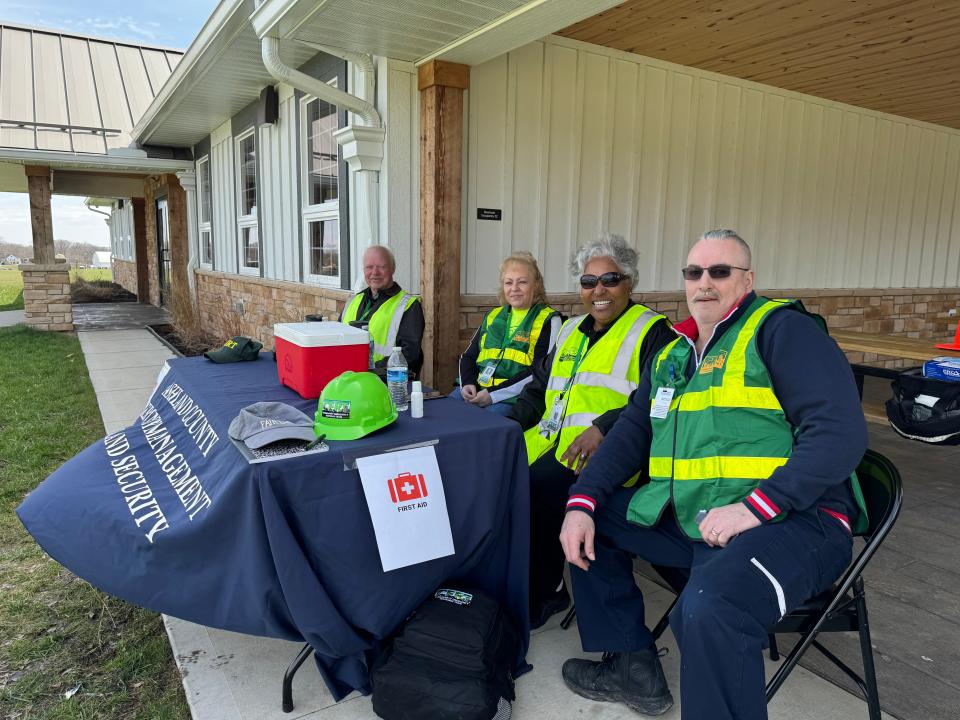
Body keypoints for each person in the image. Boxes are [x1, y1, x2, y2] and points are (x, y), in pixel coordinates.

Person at [558, 230, 869, 719]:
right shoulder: (676, 353)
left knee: (707, 609)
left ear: (747, 279)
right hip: (699, 519)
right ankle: (631, 664)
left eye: (719, 271)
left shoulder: (781, 331)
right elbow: (629, 436)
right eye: (693, 272)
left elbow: (840, 434)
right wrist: (582, 502)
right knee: (588, 520)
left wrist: (755, 507)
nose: (704, 282)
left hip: (793, 522)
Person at [507, 235, 674, 629]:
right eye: (588, 282)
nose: (598, 290)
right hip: (555, 443)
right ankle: (520, 582)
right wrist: (507, 425)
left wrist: (604, 428)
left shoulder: (653, 332)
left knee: (536, 488)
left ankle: (546, 592)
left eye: (610, 279)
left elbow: (659, 401)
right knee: (502, 477)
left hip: (616, 455)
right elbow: (538, 388)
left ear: (629, 282)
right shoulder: (570, 330)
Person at [451, 252, 562, 416]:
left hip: (513, 399)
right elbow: (468, 357)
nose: (514, 288)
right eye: (508, 282)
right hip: (478, 391)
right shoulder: (493, 316)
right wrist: (467, 384)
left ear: (536, 285)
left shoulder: (549, 320)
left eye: (522, 282)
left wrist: (493, 395)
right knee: (444, 412)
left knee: (484, 425)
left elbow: (541, 372)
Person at [341, 245, 425, 375]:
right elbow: (334, 339)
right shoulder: (353, 301)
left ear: (393, 269)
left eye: (381, 267)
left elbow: (409, 356)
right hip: (346, 378)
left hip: (385, 383)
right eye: (369, 267)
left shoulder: (408, 305)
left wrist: (365, 370)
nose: (375, 272)